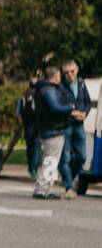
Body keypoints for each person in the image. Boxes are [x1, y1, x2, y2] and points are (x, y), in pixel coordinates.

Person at [32, 66, 74, 200]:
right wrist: (69, 108)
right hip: (53, 130)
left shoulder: (42, 89)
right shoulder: (50, 90)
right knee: (51, 161)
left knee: (51, 160)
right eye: (59, 76)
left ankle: (45, 188)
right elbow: (56, 108)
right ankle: (43, 189)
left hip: (48, 129)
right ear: (56, 77)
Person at [58, 58, 92, 198]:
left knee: (82, 156)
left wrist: (84, 113)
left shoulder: (82, 83)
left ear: (77, 70)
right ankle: (68, 187)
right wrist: (71, 113)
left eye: (72, 71)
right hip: (67, 125)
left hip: (79, 125)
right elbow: (59, 106)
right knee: (65, 157)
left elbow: (87, 102)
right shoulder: (60, 87)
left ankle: (68, 178)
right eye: (66, 73)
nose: (70, 75)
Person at [16, 73, 41, 178]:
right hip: (37, 124)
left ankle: (31, 168)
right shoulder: (40, 95)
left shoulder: (23, 97)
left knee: (30, 147)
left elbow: (18, 113)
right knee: (37, 147)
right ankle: (34, 168)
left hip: (28, 125)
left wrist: (22, 124)